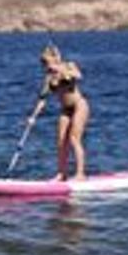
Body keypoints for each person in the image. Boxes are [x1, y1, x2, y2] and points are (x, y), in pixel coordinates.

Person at [31, 44, 89, 181]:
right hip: (65, 110)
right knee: (61, 141)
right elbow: (42, 99)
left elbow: (78, 76)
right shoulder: (49, 77)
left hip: (79, 106)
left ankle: (81, 174)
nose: (45, 65)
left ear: (54, 58)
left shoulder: (68, 65)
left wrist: (59, 68)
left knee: (75, 139)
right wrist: (33, 117)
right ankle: (62, 174)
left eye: (46, 61)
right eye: (43, 63)